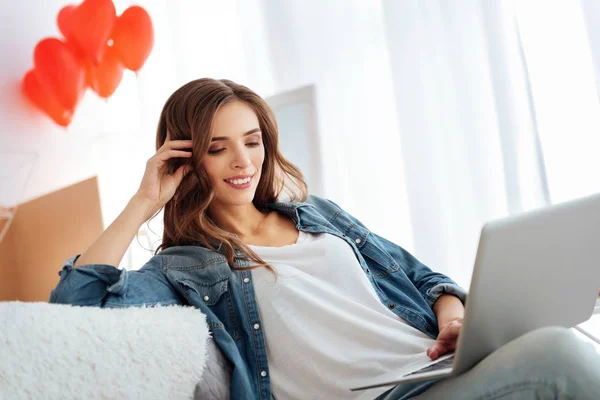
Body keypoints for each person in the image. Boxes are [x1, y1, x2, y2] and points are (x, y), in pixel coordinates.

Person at [50, 78, 600, 400]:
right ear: (187, 159)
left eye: (252, 140)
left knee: (563, 334)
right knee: (556, 355)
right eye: (218, 148)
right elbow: (75, 307)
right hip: (387, 396)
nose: (243, 162)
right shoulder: (184, 268)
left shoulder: (317, 215)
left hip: (433, 370)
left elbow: (428, 280)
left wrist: (454, 321)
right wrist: (145, 201)